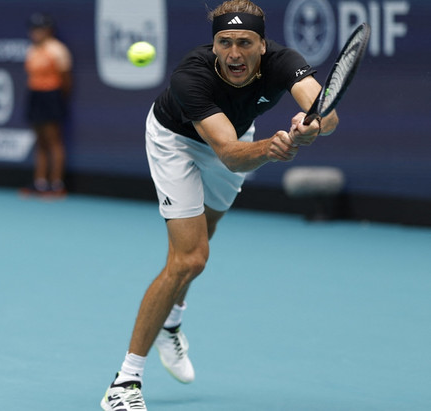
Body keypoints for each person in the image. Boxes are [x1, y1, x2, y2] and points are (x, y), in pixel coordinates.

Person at [100, 1, 339, 410]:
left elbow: (324, 110)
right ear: (213, 46)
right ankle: (125, 383)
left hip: (236, 139)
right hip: (177, 143)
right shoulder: (191, 77)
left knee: (203, 238)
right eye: (224, 42)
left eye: (244, 42)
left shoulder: (284, 62)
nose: (233, 53)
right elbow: (229, 153)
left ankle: (169, 324)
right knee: (189, 259)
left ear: (262, 45)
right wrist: (274, 147)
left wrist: (311, 125)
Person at [22, 12, 72, 196]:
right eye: (33, 29)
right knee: (39, 140)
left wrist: (59, 98)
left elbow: (66, 79)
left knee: (53, 140)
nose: (35, 33)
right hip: (35, 95)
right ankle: (40, 183)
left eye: (39, 29)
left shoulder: (58, 50)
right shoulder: (31, 50)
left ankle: (56, 184)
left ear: (48, 30)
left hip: (52, 96)